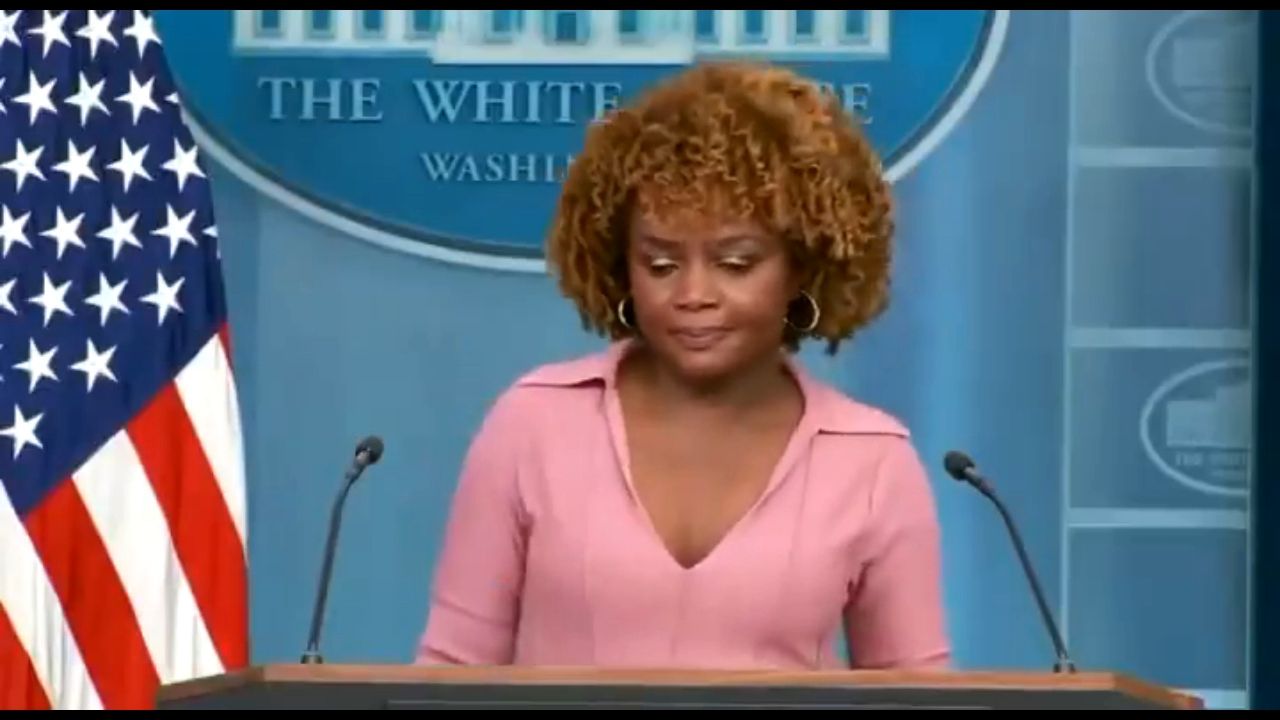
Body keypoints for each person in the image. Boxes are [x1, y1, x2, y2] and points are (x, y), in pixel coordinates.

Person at [415, 61, 951, 671]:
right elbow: (450, 673)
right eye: (661, 264)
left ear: (803, 265)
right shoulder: (532, 425)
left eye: (736, 263)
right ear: (621, 265)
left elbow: (918, 696)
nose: (693, 295)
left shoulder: (871, 461)